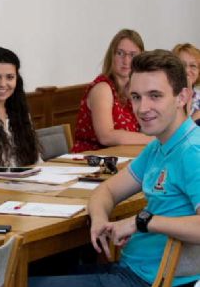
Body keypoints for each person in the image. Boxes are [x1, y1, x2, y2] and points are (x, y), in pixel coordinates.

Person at [29, 50, 200, 287]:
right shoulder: (159, 145)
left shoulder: (192, 151)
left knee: (19, 281)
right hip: (129, 270)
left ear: (182, 97)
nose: (142, 108)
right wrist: (99, 219)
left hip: (147, 280)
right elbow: (106, 191)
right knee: (35, 270)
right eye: (137, 97)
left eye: (155, 96)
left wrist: (142, 221)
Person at [72, 29, 152, 152]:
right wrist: (152, 139)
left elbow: (144, 128)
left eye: (132, 55)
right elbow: (106, 136)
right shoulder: (102, 88)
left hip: (121, 157)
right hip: (90, 160)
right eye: (120, 53)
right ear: (112, 55)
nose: (126, 61)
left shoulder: (133, 89)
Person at [172, 43, 200, 122]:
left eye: (193, 66)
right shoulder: (166, 96)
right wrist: (193, 119)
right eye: (182, 65)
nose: (187, 70)